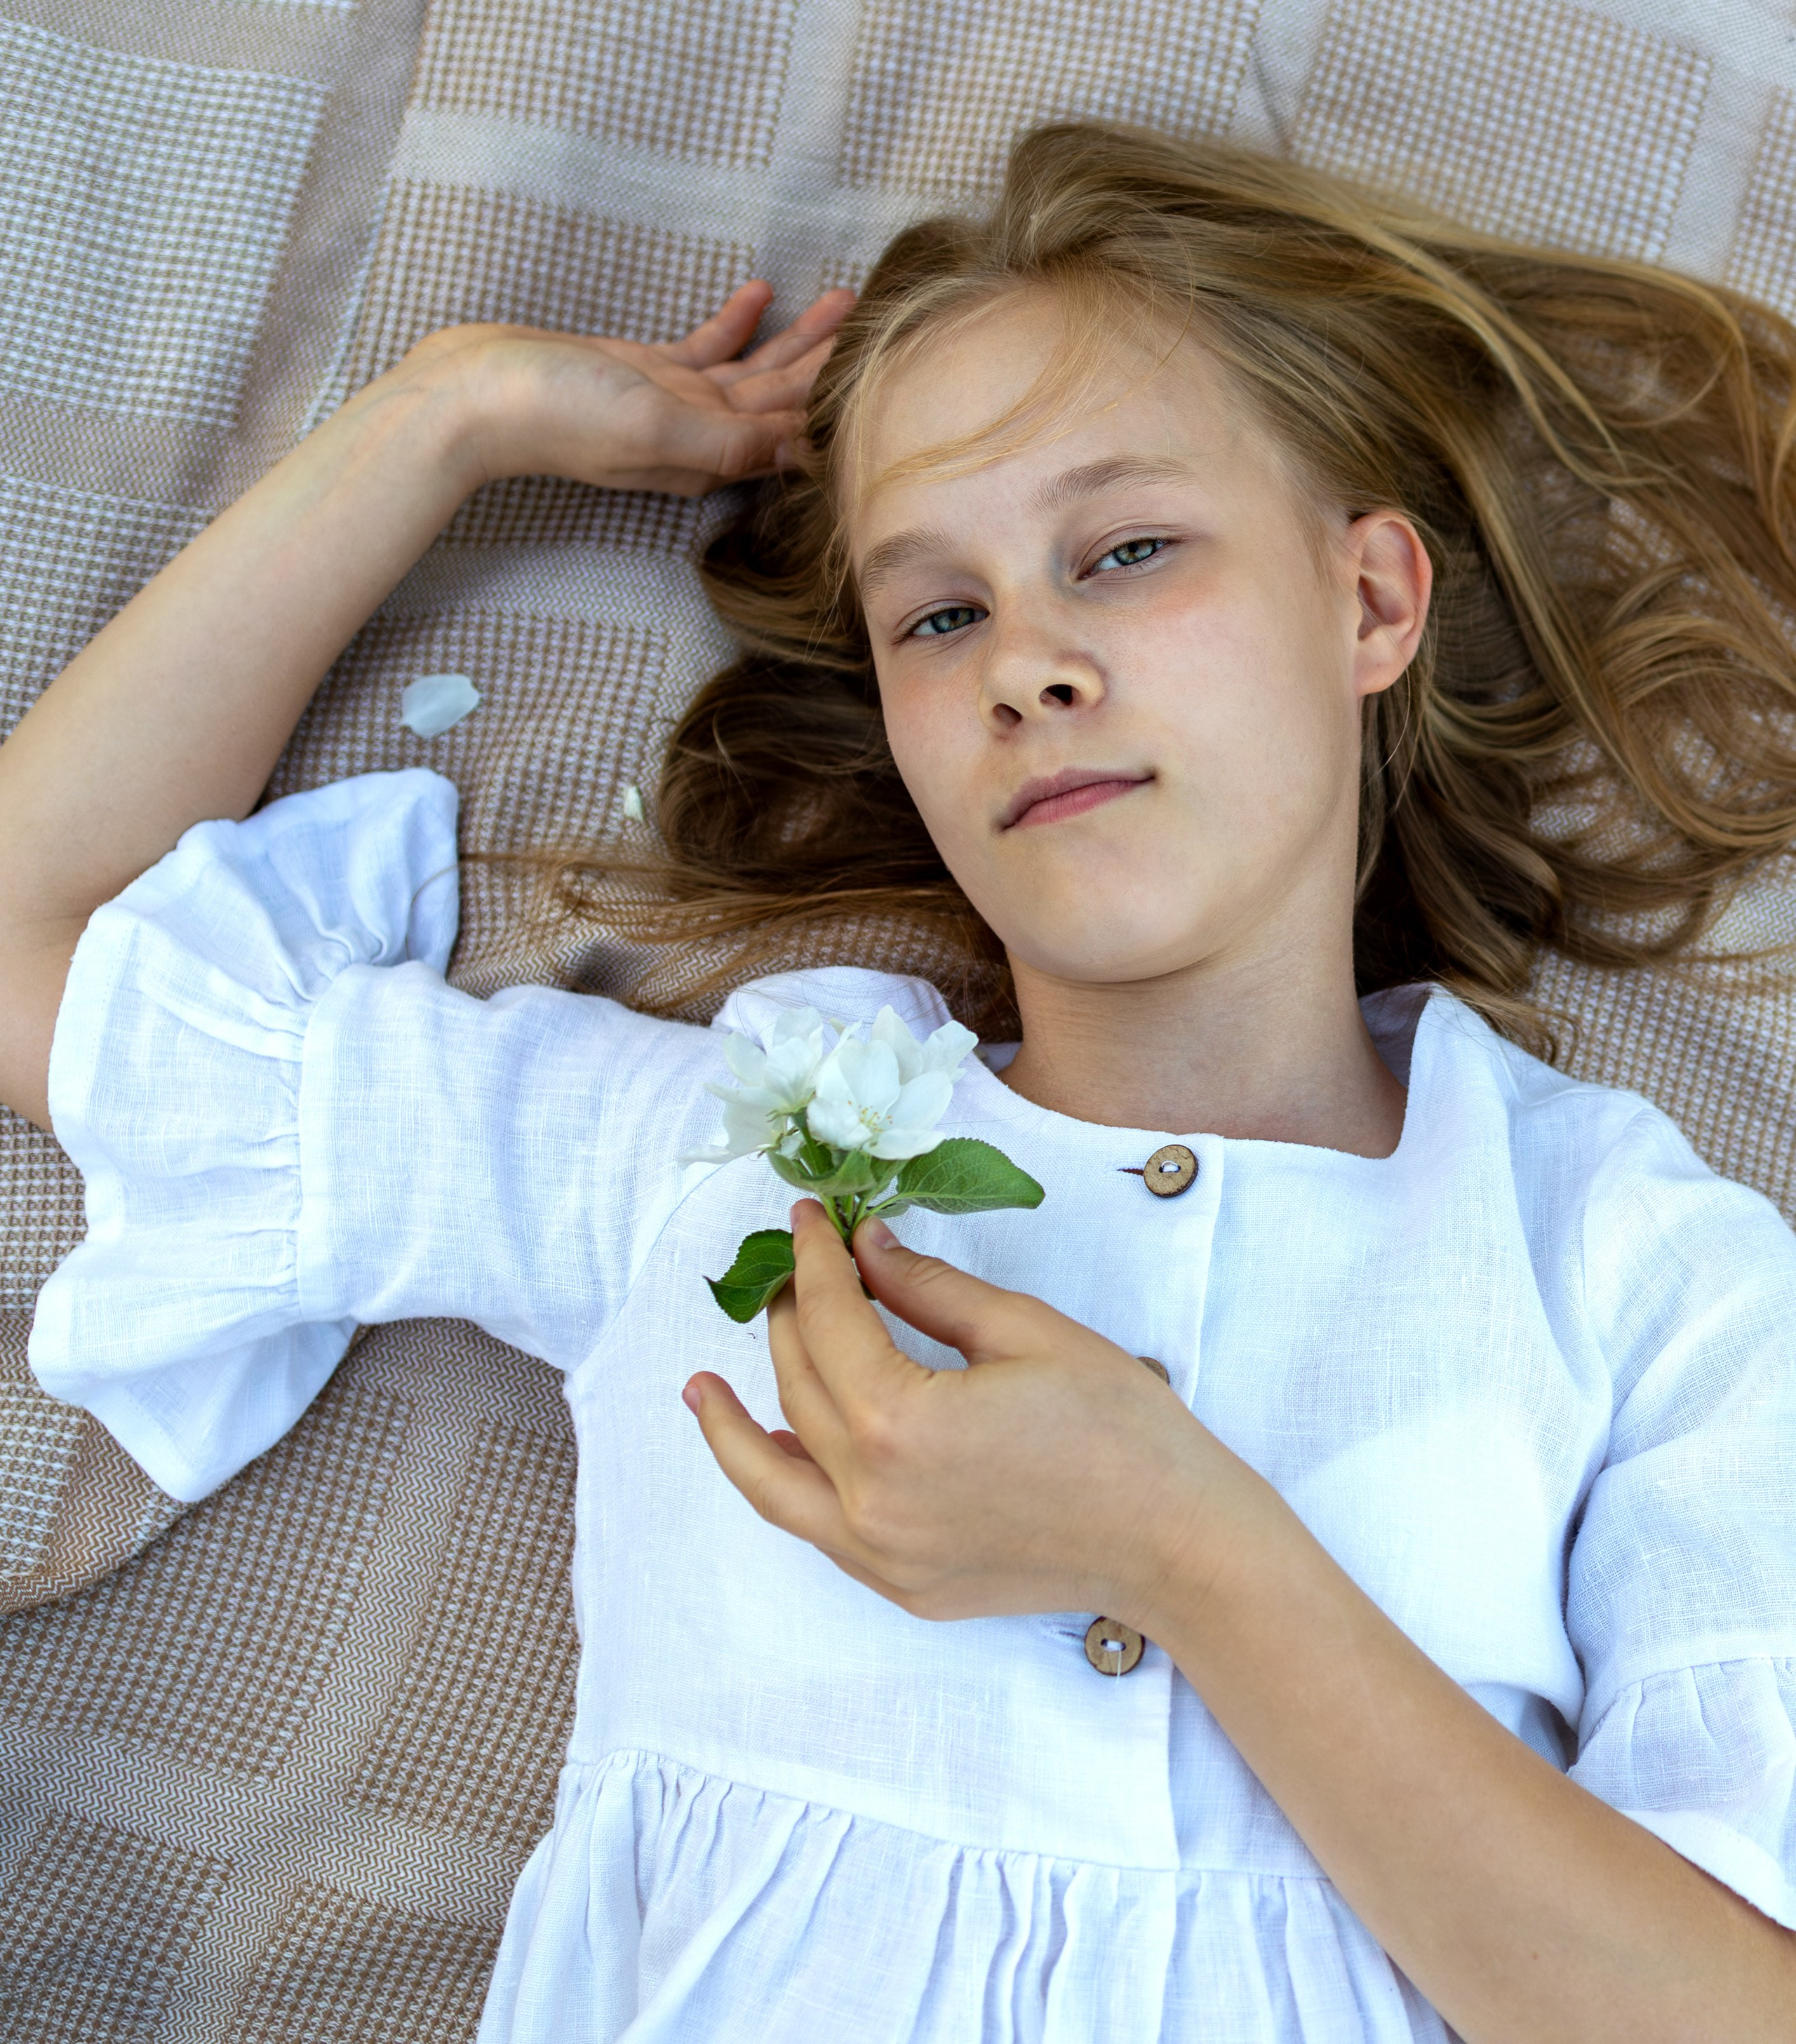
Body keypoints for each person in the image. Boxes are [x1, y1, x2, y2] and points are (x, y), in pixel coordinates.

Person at [1, 121, 1794, 2042]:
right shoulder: (724, 1155)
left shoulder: (1635, 1267)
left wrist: (1184, 1549)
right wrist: (447, 414)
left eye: (1125, 551)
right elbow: (42, 944)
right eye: (940, 613)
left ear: (1369, 600)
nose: (1027, 662)